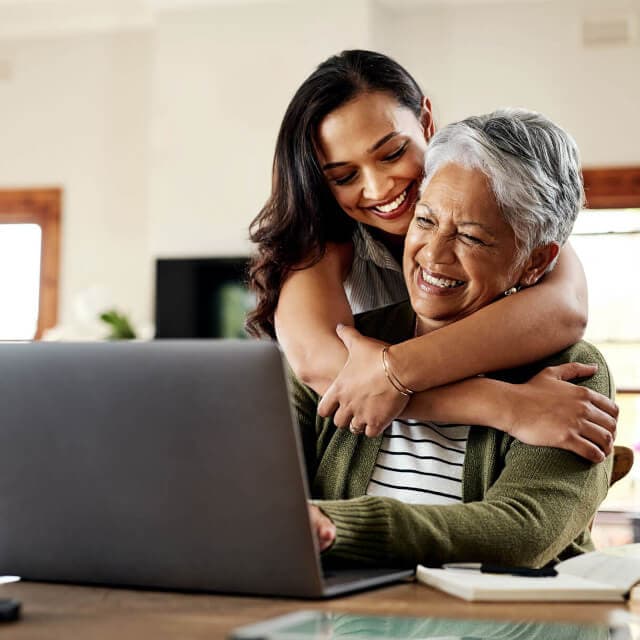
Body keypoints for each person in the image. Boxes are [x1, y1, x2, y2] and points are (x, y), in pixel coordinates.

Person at [247, 50, 616, 462]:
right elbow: (329, 370)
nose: (379, 188)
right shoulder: (324, 244)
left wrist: (394, 370)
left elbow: (566, 308)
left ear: (425, 121)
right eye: (345, 176)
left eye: (391, 154)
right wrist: (506, 406)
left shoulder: (496, 193)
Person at [297, 109, 613, 568]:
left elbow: (525, 531)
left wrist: (335, 525)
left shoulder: (574, 372)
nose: (434, 255)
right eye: (424, 221)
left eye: (471, 237)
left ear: (535, 261)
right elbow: (254, 492)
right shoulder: (350, 346)